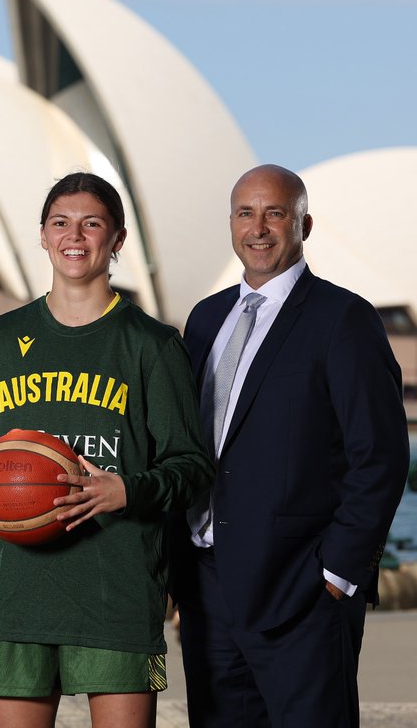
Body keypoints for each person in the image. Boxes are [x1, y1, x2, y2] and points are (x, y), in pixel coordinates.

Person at [0, 172, 212, 728]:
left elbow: (192, 467)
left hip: (116, 589)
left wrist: (127, 489)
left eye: (92, 224)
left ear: (117, 239)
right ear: (42, 236)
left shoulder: (153, 344)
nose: (76, 236)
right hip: (16, 591)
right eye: (60, 223)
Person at [173, 164, 409, 727]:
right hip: (208, 590)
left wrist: (336, 574)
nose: (259, 228)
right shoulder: (206, 320)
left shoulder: (343, 318)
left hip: (300, 592)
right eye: (245, 213)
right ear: (231, 223)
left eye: (275, 213)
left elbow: (379, 456)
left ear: (304, 224)